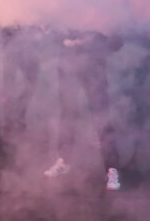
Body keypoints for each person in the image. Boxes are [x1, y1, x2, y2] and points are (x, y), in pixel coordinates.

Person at [41, 32, 124, 191]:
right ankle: (64, 161)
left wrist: (95, 45)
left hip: (94, 66)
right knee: (67, 114)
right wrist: (64, 40)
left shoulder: (103, 9)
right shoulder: (64, 8)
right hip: (68, 65)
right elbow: (52, 31)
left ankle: (112, 169)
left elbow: (117, 41)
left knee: (102, 116)